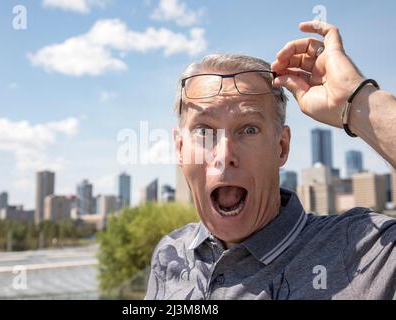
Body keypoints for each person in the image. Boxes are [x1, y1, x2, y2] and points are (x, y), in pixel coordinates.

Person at [145, 21, 396, 300]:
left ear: (282, 147)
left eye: (249, 129)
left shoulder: (362, 251)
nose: (225, 155)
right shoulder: (170, 253)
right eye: (204, 131)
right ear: (180, 149)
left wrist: (358, 102)